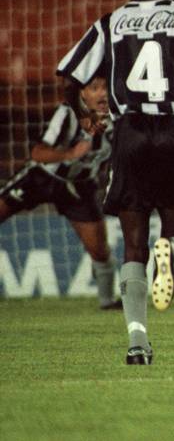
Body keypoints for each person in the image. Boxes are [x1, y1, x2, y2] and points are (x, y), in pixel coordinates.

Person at [55, 0, 174, 365]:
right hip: (172, 125)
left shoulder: (110, 22)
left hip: (128, 131)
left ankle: (137, 343)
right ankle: (173, 250)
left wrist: (84, 115)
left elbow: (68, 76)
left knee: (132, 243)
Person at [0, 75, 120, 309]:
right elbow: (37, 153)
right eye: (94, 88)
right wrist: (69, 154)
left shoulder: (119, 119)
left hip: (80, 185)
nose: (102, 94)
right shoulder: (68, 113)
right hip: (42, 177)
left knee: (100, 249)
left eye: (106, 88)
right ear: (82, 94)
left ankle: (107, 302)